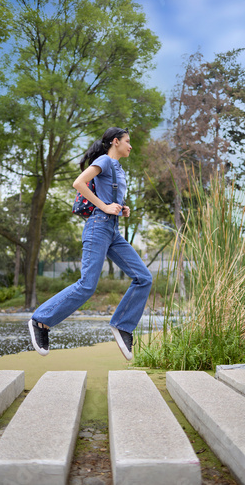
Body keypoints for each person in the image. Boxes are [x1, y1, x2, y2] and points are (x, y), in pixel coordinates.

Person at [28, 127, 152, 360]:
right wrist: (104, 207)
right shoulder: (104, 161)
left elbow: (109, 196)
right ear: (115, 142)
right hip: (98, 227)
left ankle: (123, 325)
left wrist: (121, 208)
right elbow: (79, 183)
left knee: (144, 277)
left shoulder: (118, 169)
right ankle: (40, 320)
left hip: (113, 230)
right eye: (127, 141)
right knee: (87, 285)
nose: (130, 146)